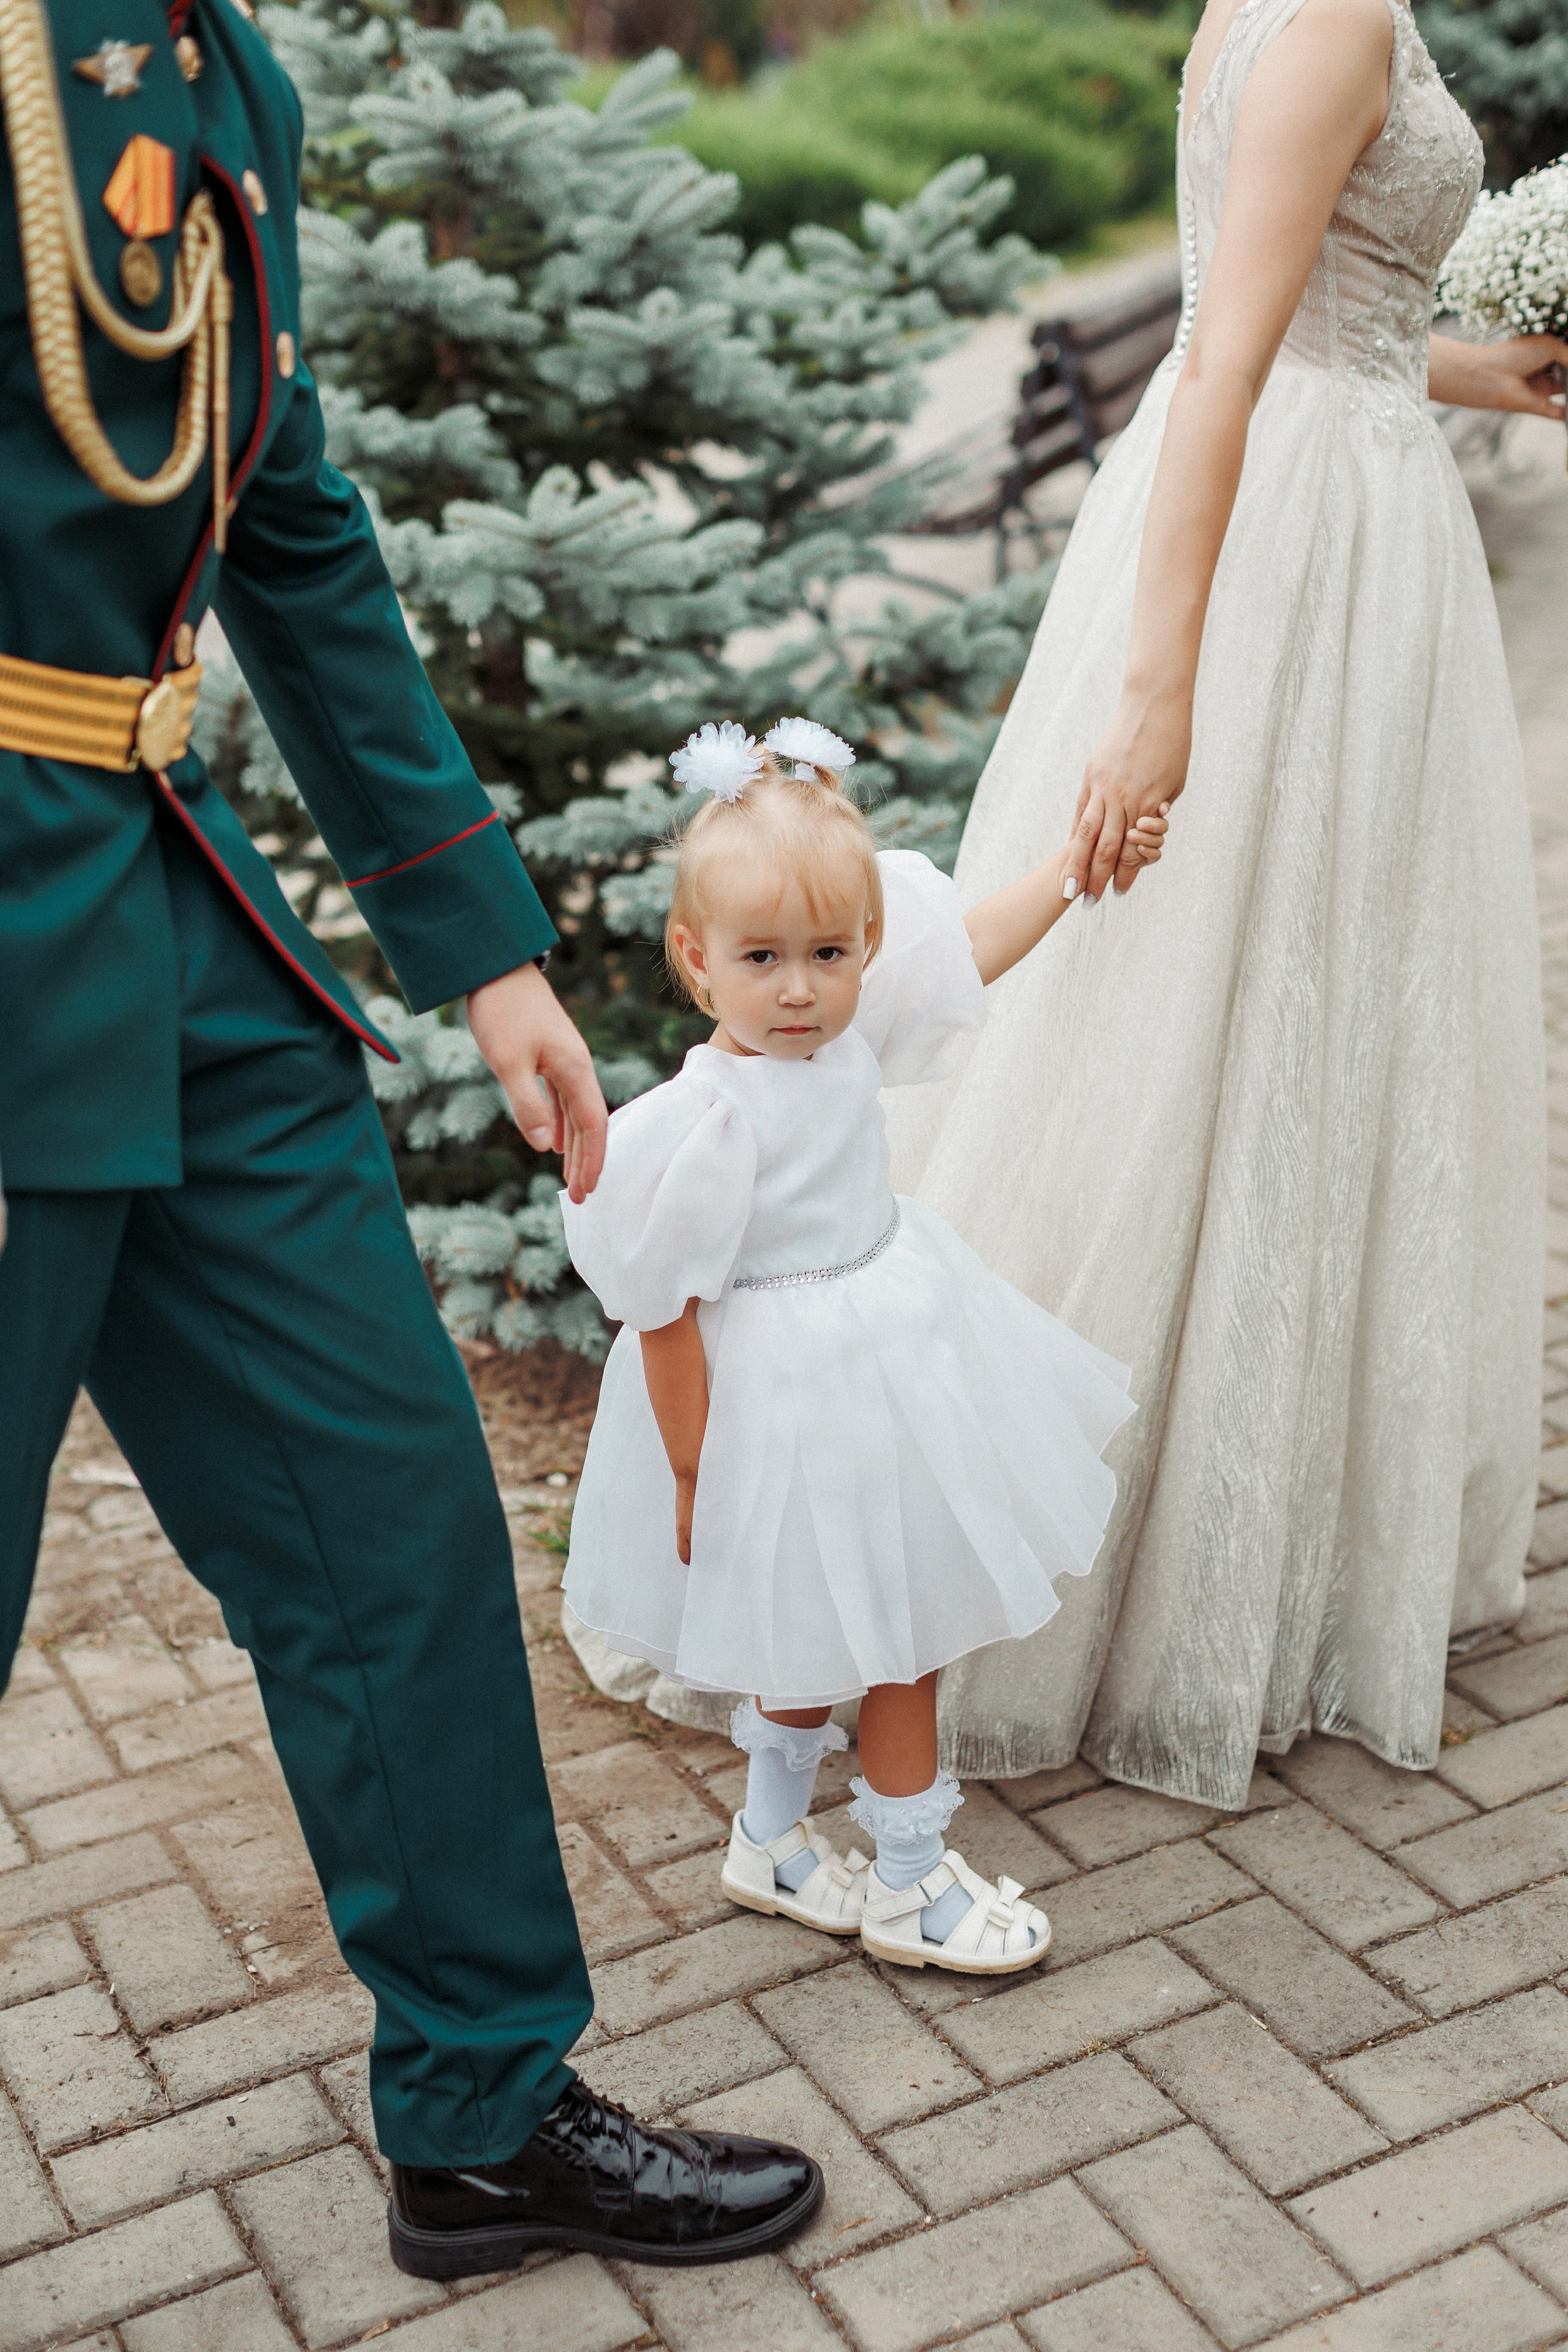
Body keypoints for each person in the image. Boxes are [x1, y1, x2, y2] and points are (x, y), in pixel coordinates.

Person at [0, 0, 823, 2277]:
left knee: (391, 1520)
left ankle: (476, 2107)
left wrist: (482, 945)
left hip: (164, 919)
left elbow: (288, 519)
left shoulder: (212, 73)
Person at [884, 0, 1567, 1809]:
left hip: (1322, 502)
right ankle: (1134, 1552)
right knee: (1213, 1010)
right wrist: (1160, 696)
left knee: (1299, 1004)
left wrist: (1487, 373)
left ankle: (1256, 1503)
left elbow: (1318, 328)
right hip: (1294, 554)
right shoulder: (1334, 14)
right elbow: (1222, 365)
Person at [560, 717, 1164, 1973]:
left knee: (832, 1629)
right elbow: (663, 1312)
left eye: (828, 955)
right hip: (779, 1400)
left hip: (896, 1348)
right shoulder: (700, 1122)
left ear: (864, 950)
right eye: (762, 958)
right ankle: (905, 1884)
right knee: (895, 1646)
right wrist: (688, 1472)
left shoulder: (840, 1031)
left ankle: (771, 1844)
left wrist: (1070, 870)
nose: (797, 988)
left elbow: (974, 948)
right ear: (696, 959)